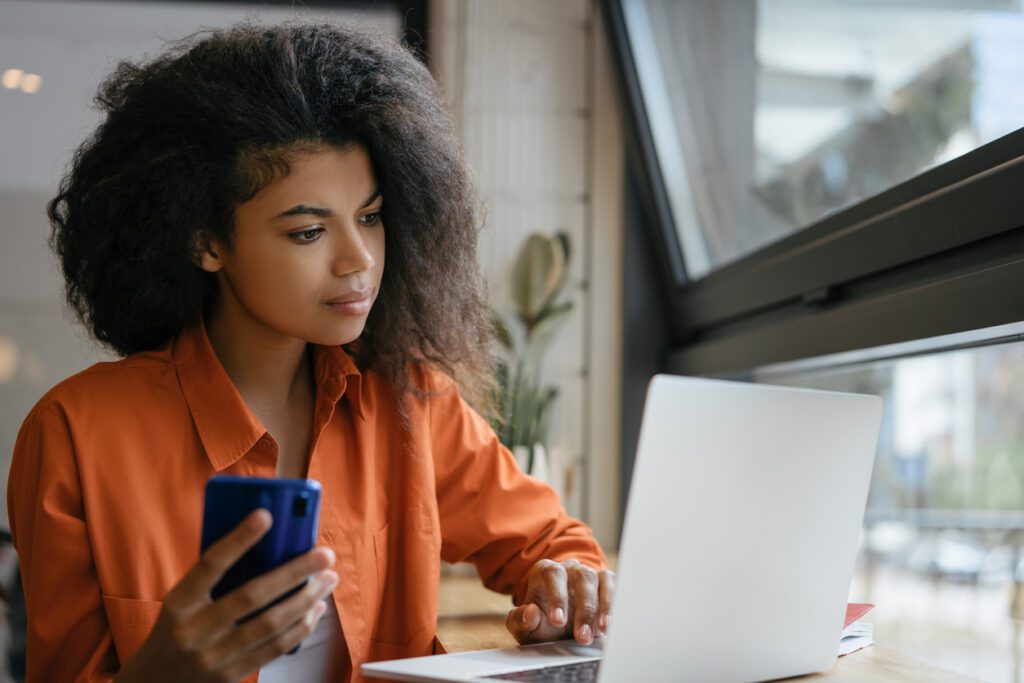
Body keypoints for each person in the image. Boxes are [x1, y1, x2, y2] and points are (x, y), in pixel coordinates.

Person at [6, 20, 611, 683]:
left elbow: (554, 544)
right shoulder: (76, 434)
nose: (358, 259)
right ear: (207, 242)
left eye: (373, 217)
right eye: (308, 230)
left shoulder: (413, 402)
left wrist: (567, 584)